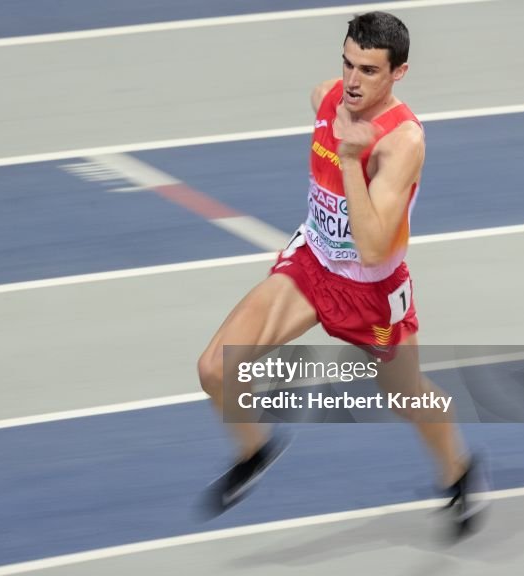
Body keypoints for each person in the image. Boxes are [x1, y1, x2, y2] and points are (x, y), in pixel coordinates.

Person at [197, 11, 488, 536]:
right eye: (348, 64)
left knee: (406, 397)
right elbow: (324, 103)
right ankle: (254, 451)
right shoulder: (327, 95)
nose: (353, 81)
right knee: (216, 370)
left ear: (398, 73)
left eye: (370, 71)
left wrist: (352, 159)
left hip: (372, 294)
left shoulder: (403, 143)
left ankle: (459, 473)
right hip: (312, 267)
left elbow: (375, 248)